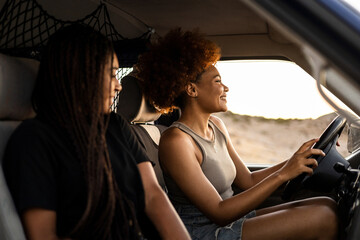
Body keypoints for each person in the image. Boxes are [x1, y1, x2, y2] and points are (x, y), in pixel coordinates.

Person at [136, 28, 338, 240]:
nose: (226, 88)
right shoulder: (176, 141)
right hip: (202, 232)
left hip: (232, 221)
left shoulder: (216, 125)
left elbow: (248, 181)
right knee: (324, 217)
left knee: (326, 203)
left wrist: (296, 159)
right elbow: (219, 212)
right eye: (217, 81)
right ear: (192, 90)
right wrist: (283, 174)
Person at [3, 24, 190, 240]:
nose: (119, 85)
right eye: (112, 74)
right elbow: (43, 234)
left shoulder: (116, 126)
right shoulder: (33, 140)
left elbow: (153, 195)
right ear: (82, 75)